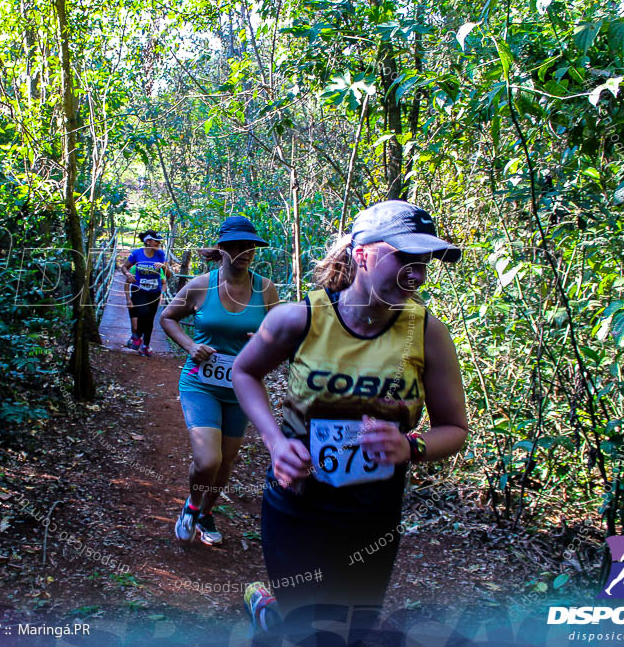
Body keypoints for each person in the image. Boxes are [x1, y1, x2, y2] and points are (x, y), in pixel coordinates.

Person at [232, 200, 469, 644]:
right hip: (297, 505)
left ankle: (268, 614)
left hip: (373, 514)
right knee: (310, 632)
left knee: (353, 632)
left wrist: (412, 447)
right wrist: (276, 443)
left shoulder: (426, 332)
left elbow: (455, 428)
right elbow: (244, 372)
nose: (415, 275)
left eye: (423, 264)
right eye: (403, 258)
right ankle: (274, 613)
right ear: (362, 254)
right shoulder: (301, 318)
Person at [160, 216, 279, 546]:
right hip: (201, 382)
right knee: (208, 459)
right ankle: (193, 505)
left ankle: (206, 512)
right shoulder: (201, 285)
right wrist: (190, 345)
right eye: (237, 246)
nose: (245, 252)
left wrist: (265, 338)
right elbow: (168, 317)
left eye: (250, 247)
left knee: (226, 463)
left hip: (242, 387)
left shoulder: (266, 289)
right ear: (222, 249)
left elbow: (280, 331)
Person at [122, 230, 169, 357]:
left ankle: (145, 346)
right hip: (139, 290)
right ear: (148, 241)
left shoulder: (160, 254)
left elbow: (167, 275)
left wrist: (163, 267)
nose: (159, 243)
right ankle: (136, 336)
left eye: (159, 241)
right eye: (156, 241)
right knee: (143, 312)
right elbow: (124, 267)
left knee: (150, 320)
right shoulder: (137, 254)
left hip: (154, 291)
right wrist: (128, 274)